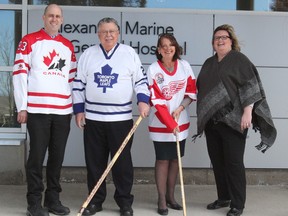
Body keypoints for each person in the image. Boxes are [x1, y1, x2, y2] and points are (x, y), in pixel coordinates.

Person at [195, 24, 277, 216]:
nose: (220, 40)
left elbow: (250, 87)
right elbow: (201, 88)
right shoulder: (209, 63)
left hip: (235, 120)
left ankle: (237, 204)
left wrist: (248, 112)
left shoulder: (239, 60)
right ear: (213, 43)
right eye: (216, 38)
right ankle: (224, 197)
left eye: (224, 37)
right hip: (212, 122)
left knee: (233, 163)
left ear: (231, 40)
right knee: (217, 161)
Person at [72, 17, 150, 216]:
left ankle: (124, 202)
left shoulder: (129, 54)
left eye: (112, 31)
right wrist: (79, 110)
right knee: (95, 163)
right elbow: (78, 85)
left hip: (120, 120)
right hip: (94, 120)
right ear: (98, 34)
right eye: (104, 31)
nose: (108, 35)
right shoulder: (88, 55)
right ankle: (95, 201)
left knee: (122, 164)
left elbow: (141, 81)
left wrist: (142, 100)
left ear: (118, 33)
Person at [12, 4, 77, 216]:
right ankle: (34, 203)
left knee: (57, 158)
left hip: (62, 111)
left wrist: (74, 108)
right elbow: (20, 74)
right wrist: (22, 106)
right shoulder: (29, 41)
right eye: (51, 15)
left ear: (62, 19)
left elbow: (72, 80)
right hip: (37, 110)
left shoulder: (68, 46)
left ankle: (53, 200)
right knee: (37, 157)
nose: (54, 19)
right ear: (43, 17)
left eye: (58, 16)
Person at [147, 33, 197, 215]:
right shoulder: (153, 69)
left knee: (175, 159)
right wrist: (169, 122)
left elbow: (191, 92)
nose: (168, 48)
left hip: (180, 122)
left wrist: (181, 108)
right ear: (159, 50)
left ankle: (171, 196)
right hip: (161, 124)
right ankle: (161, 198)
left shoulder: (184, 66)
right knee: (162, 160)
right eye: (163, 46)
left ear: (176, 47)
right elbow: (157, 101)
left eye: (171, 45)